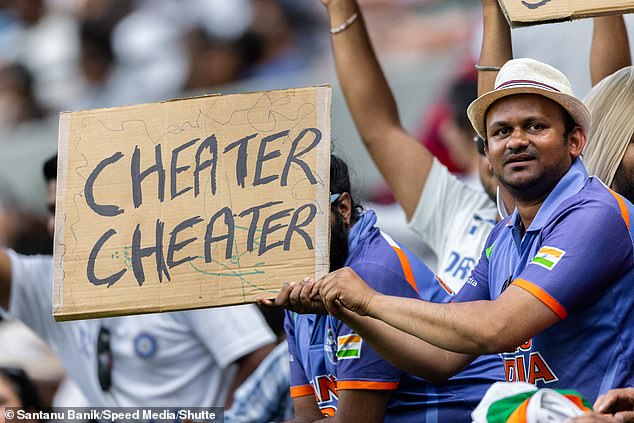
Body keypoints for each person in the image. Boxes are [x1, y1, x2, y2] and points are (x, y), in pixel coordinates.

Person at [313, 58, 634, 403]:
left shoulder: (596, 213)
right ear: (487, 153)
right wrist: (345, 306)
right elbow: (440, 357)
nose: (516, 141)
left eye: (535, 126)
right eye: (501, 132)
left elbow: (499, 327)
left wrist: (369, 298)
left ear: (575, 140)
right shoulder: (501, 237)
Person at [0, 155, 276, 407]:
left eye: (71, 210)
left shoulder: (183, 271)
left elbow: (259, 354)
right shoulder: (49, 286)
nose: (56, 225)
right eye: (52, 211)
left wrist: (219, 417)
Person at [264, 155, 503, 422]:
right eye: (274, 223)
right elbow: (306, 416)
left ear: (343, 208)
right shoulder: (298, 280)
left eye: (304, 217)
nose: (290, 233)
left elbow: (356, 421)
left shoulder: (370, 273)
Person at [319, 0, 501, 297]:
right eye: (493, 136)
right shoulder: (462, 207)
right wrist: (339, 6)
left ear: (574, 142)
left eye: (533, 128)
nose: (508, 146)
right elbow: (379, 128)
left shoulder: (572, 216)